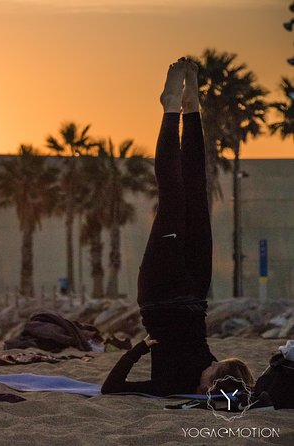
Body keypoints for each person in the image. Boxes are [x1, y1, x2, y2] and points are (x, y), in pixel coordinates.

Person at [101, 58, 254, 397]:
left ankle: (170, 110)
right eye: (213, 373)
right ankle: (192, 109)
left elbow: (111, 389)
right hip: (196, 294)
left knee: (173, 197)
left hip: (160, 292)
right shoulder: (216, 369)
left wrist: (140, 348)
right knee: (197, 197)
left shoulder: (174, 383)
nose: (205, 383)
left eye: (210, 380)